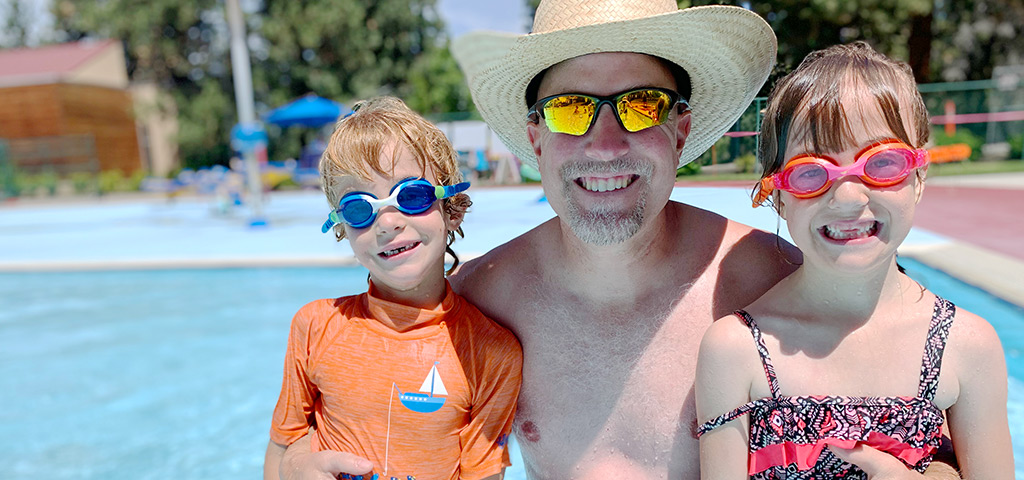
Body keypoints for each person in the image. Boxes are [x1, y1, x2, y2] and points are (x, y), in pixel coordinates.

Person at [278, 1, 959, 478]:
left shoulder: (770, 281)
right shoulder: (477, 305)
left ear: (681, 131)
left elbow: (924, 404)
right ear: (537, 137)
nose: (606, 145)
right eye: (572, 109)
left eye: (640, 105)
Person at [695, 42, 1014, 479]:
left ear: (919, 176)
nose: (848, 196)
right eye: (811, 172)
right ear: (778, 196)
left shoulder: (969, 347)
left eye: (882, 163)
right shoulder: (736, 350)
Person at [263, 96, 522, 480]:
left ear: (452, 208)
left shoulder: (491, 353)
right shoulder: (315, 327)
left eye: (411, 196)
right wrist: (297, 469)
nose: (387, 223)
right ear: (341, 228)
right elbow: (280, 454)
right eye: (358, 209)